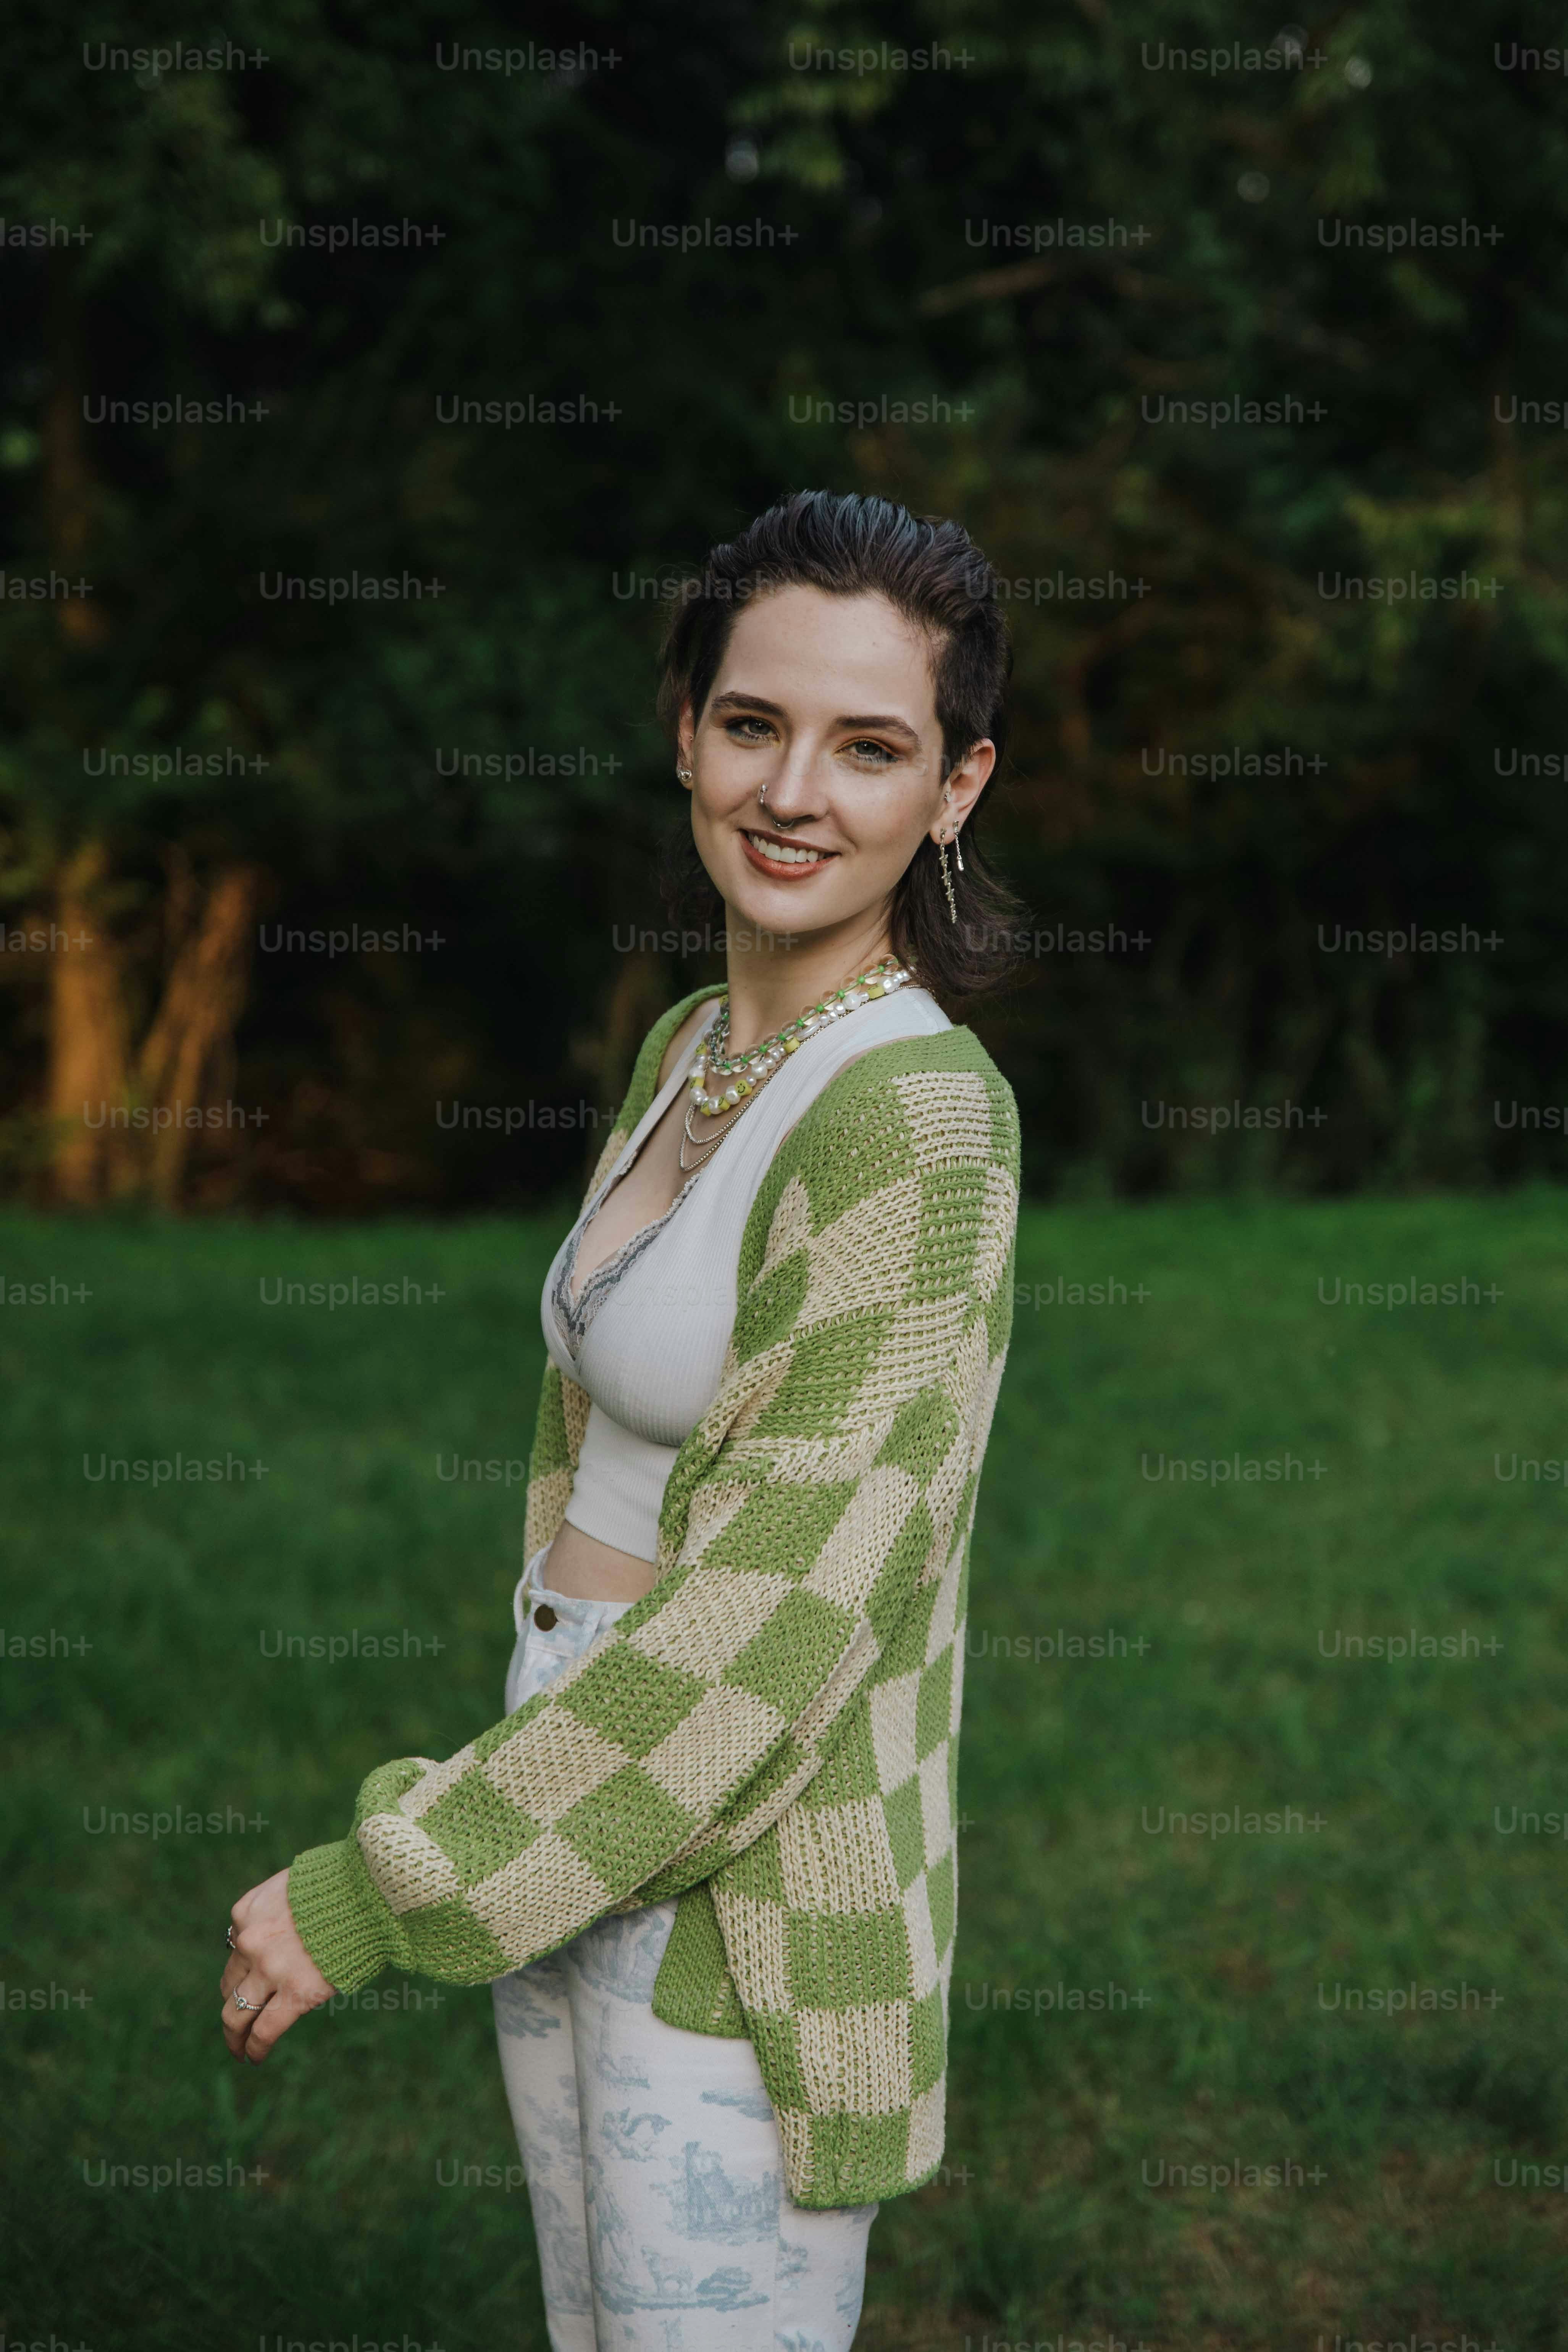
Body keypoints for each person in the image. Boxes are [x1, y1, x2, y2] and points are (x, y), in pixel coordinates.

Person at [220, 489, 1025, 2350]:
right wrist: (514, 1796)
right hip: (568, 1786)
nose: (794, 791)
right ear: (687, 734)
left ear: (957, 785)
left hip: (737, 1868)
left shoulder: (918, 1122)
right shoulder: (694, 1049)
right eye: (753, 725)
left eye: (871, 745)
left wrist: (373, 1891)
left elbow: (765, 1640)